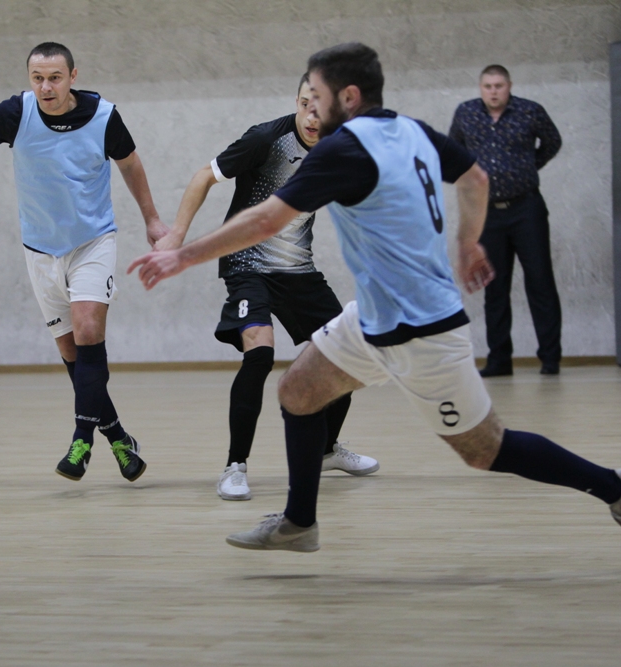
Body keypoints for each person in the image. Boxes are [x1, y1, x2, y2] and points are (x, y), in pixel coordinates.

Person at [129, 43, 621, 551]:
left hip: (421, 329)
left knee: (484, 449)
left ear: (348, 96)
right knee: (298, 391)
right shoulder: (412, 130)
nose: (311, 108)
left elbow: (267, 220)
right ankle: (299, 524)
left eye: (317, 96)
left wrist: (182, 256)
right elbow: (475, 177)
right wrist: (467, 242)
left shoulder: (344, 148)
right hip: (374, 318)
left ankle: (614, 488)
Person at [0, 42, 168, 482]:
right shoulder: (14, 114)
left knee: (89, 329)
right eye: (37, 78)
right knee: (72, 353)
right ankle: (118, 437)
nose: (45, 87)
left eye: (55, 78)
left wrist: (152, 219)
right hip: (39, 250)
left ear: (73, 76)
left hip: (93, 241)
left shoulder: (104, 117)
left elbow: (130, 165)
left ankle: (81, 441)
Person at [155, 73, 378, 502]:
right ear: (296, 101)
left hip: (299, 272)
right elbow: (203, 176)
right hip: (247, 265)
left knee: (347, 354)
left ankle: (327, 449)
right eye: (305, 105)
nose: (311, 118)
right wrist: (178, 235)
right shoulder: (266, 139)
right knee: (259, 354)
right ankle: (234, 467)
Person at [449, 65, 563, 377]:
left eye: (499, 85)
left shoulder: (530, 111)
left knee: (540, 281)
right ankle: (499, 360)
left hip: (526, 208)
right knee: (494, 286)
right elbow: (455, 151)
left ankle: (550, 358)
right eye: (488, 86)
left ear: (509, 85)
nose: (494, 91)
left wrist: (528, 167)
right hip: (486, 213)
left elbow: (552, 142)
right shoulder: (466, 113)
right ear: (480, 87)